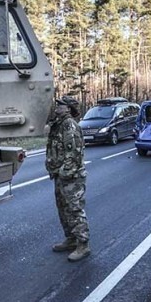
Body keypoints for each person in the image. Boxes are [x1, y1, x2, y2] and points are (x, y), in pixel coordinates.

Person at [45, 96, 91, 261]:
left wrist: (65, 173)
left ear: (69, 108)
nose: (57, 107)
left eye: (61, 105)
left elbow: (73, 154)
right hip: (60, 174)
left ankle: (83, 244)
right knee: (63, 209)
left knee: (74, 209)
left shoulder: (70, 125)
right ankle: (71, 239)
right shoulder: (59, 124)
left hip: (71, 177)